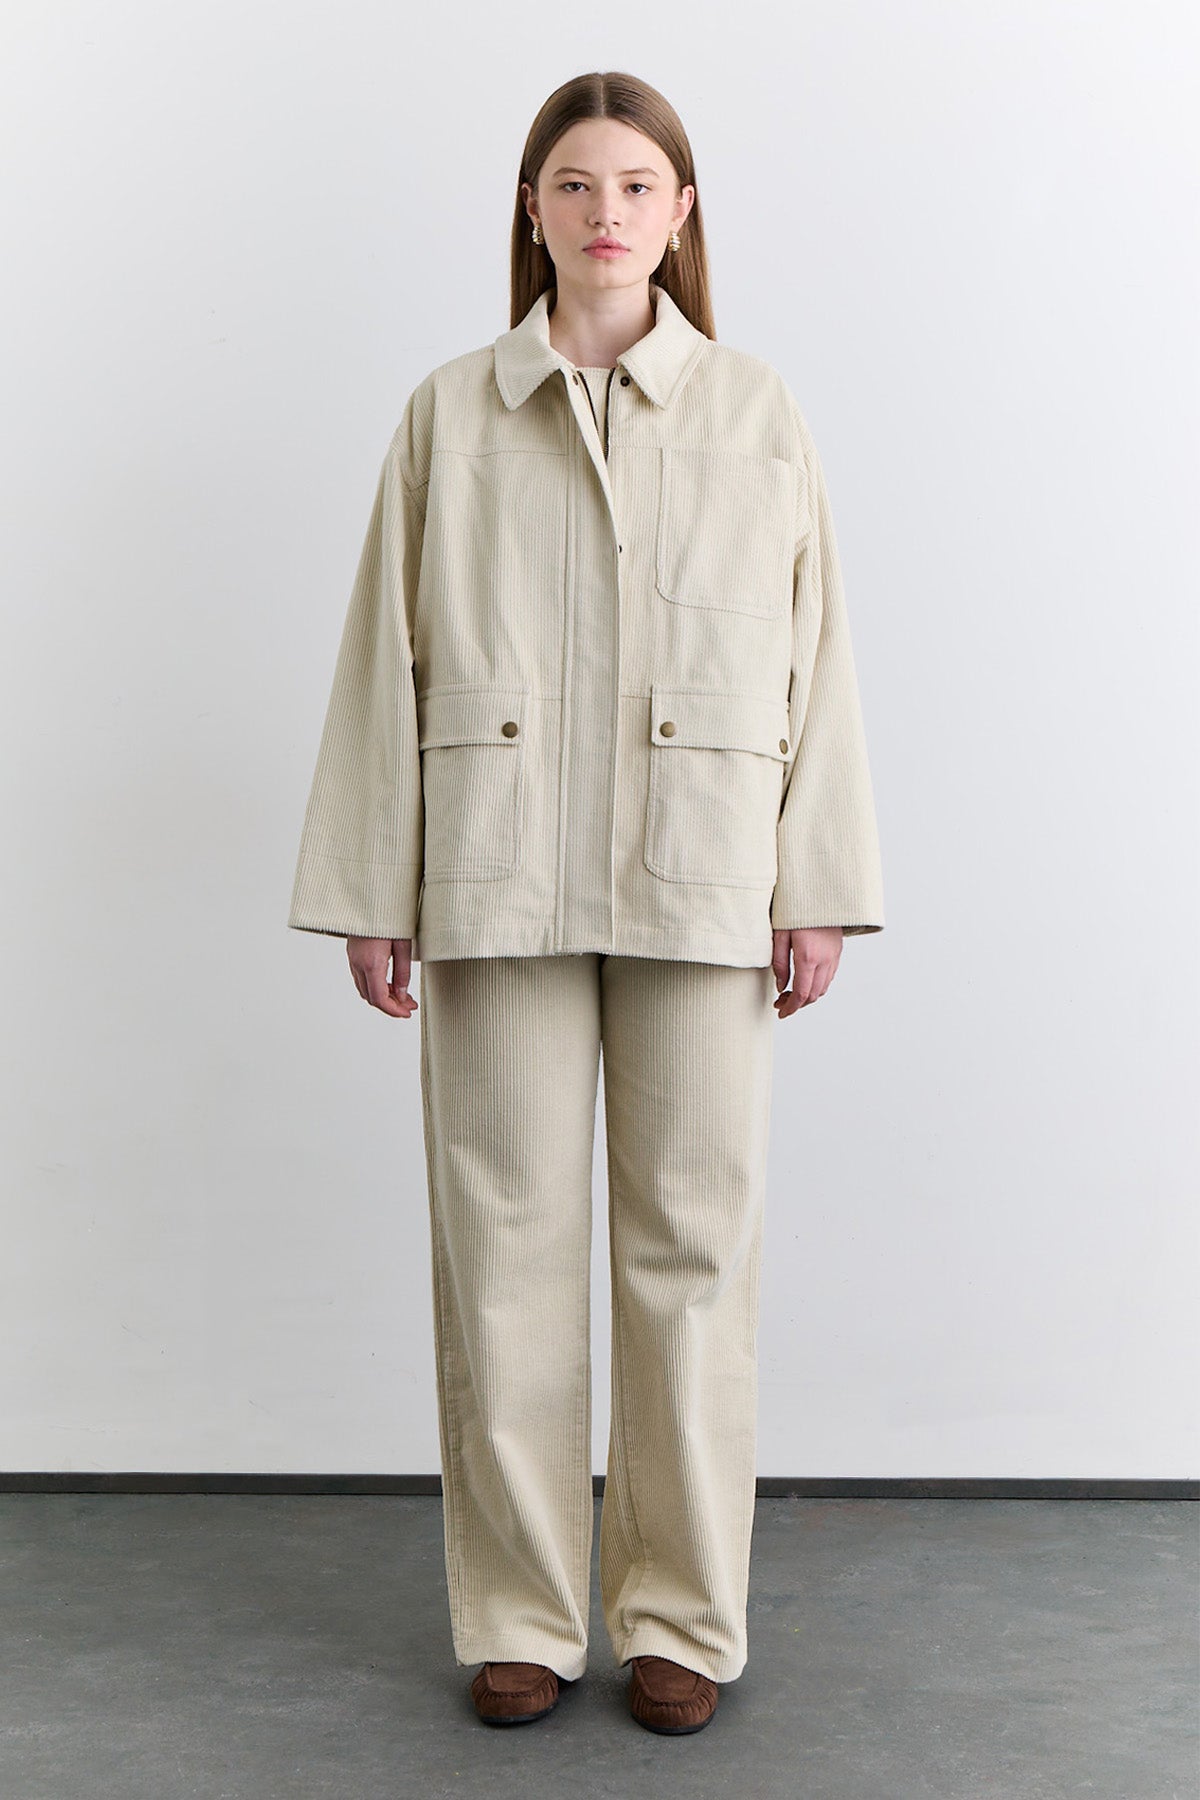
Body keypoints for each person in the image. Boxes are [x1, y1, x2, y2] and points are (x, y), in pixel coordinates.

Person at [287, 70, 885, 1737]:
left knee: (693, 1249)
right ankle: (524, 1615)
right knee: (503, 1246)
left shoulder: (757, 411)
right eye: (574, 184)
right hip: (496, 868)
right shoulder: (451, 414)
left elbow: (820, 656)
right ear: (532, 210)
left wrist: (819, 882)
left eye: (635, 185)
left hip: (708, 868)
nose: (605, 212)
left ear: (680, 214)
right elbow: (382, 654)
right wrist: (373, 884)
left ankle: (680, 1612)